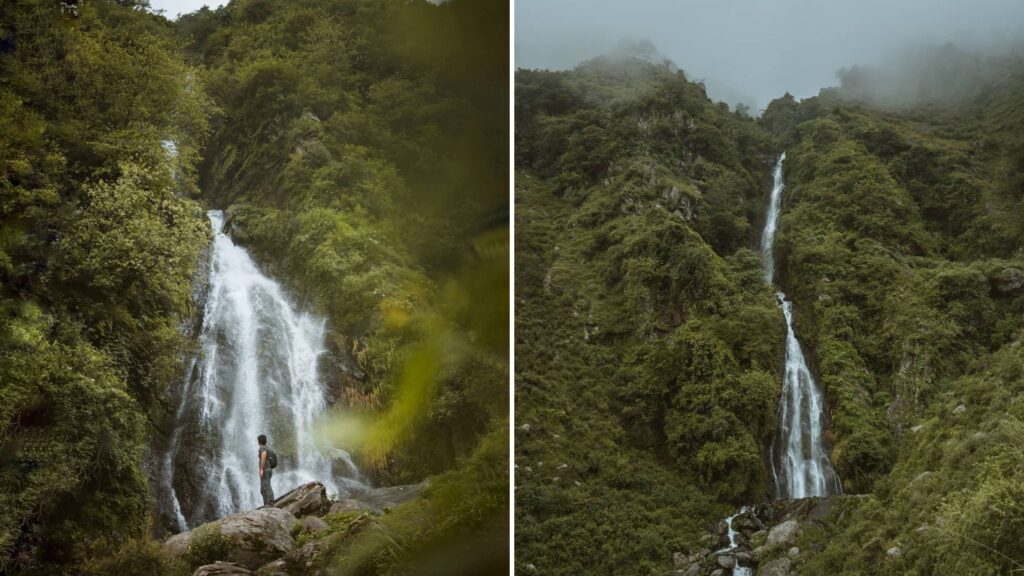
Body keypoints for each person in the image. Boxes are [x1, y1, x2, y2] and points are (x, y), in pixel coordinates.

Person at [258, 434, 275, 506]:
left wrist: (261, 469)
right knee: (264, 487)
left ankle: (270, 502)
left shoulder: (262, 448)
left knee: (266, 486)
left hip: (265, 469)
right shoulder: (268, 448)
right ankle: (266, 503)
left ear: (259, 441)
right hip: (269, 469)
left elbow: (264, 455)